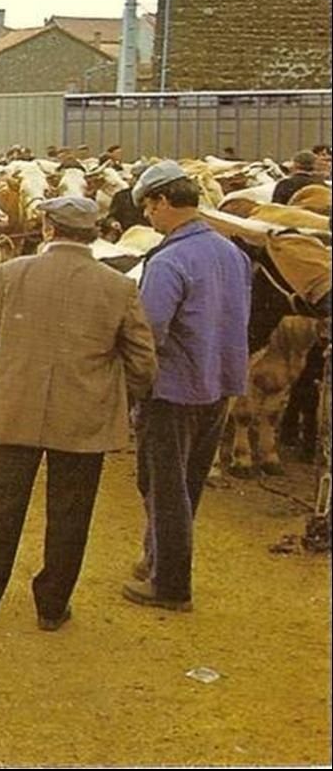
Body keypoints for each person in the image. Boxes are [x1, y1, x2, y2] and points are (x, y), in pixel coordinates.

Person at [0, 196, 157, 632]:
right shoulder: (119, 286)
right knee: (71, 513)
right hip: (84, 416)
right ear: (93, 233)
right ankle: (52, 605)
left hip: (12, 408)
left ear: (47, 229)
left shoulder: (10, 274)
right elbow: (143, 361)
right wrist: (120, 398)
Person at [125, 160, 251, 612]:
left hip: (172, 389)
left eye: (148, 208)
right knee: (189, 481)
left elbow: (149, 331)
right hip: (220, 383)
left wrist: (132, 383)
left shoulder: (169, 260)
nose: (146, 218)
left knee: (162, 484)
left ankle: (170, 585)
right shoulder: (231, 252)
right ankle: (158, 556)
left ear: (162, 201)